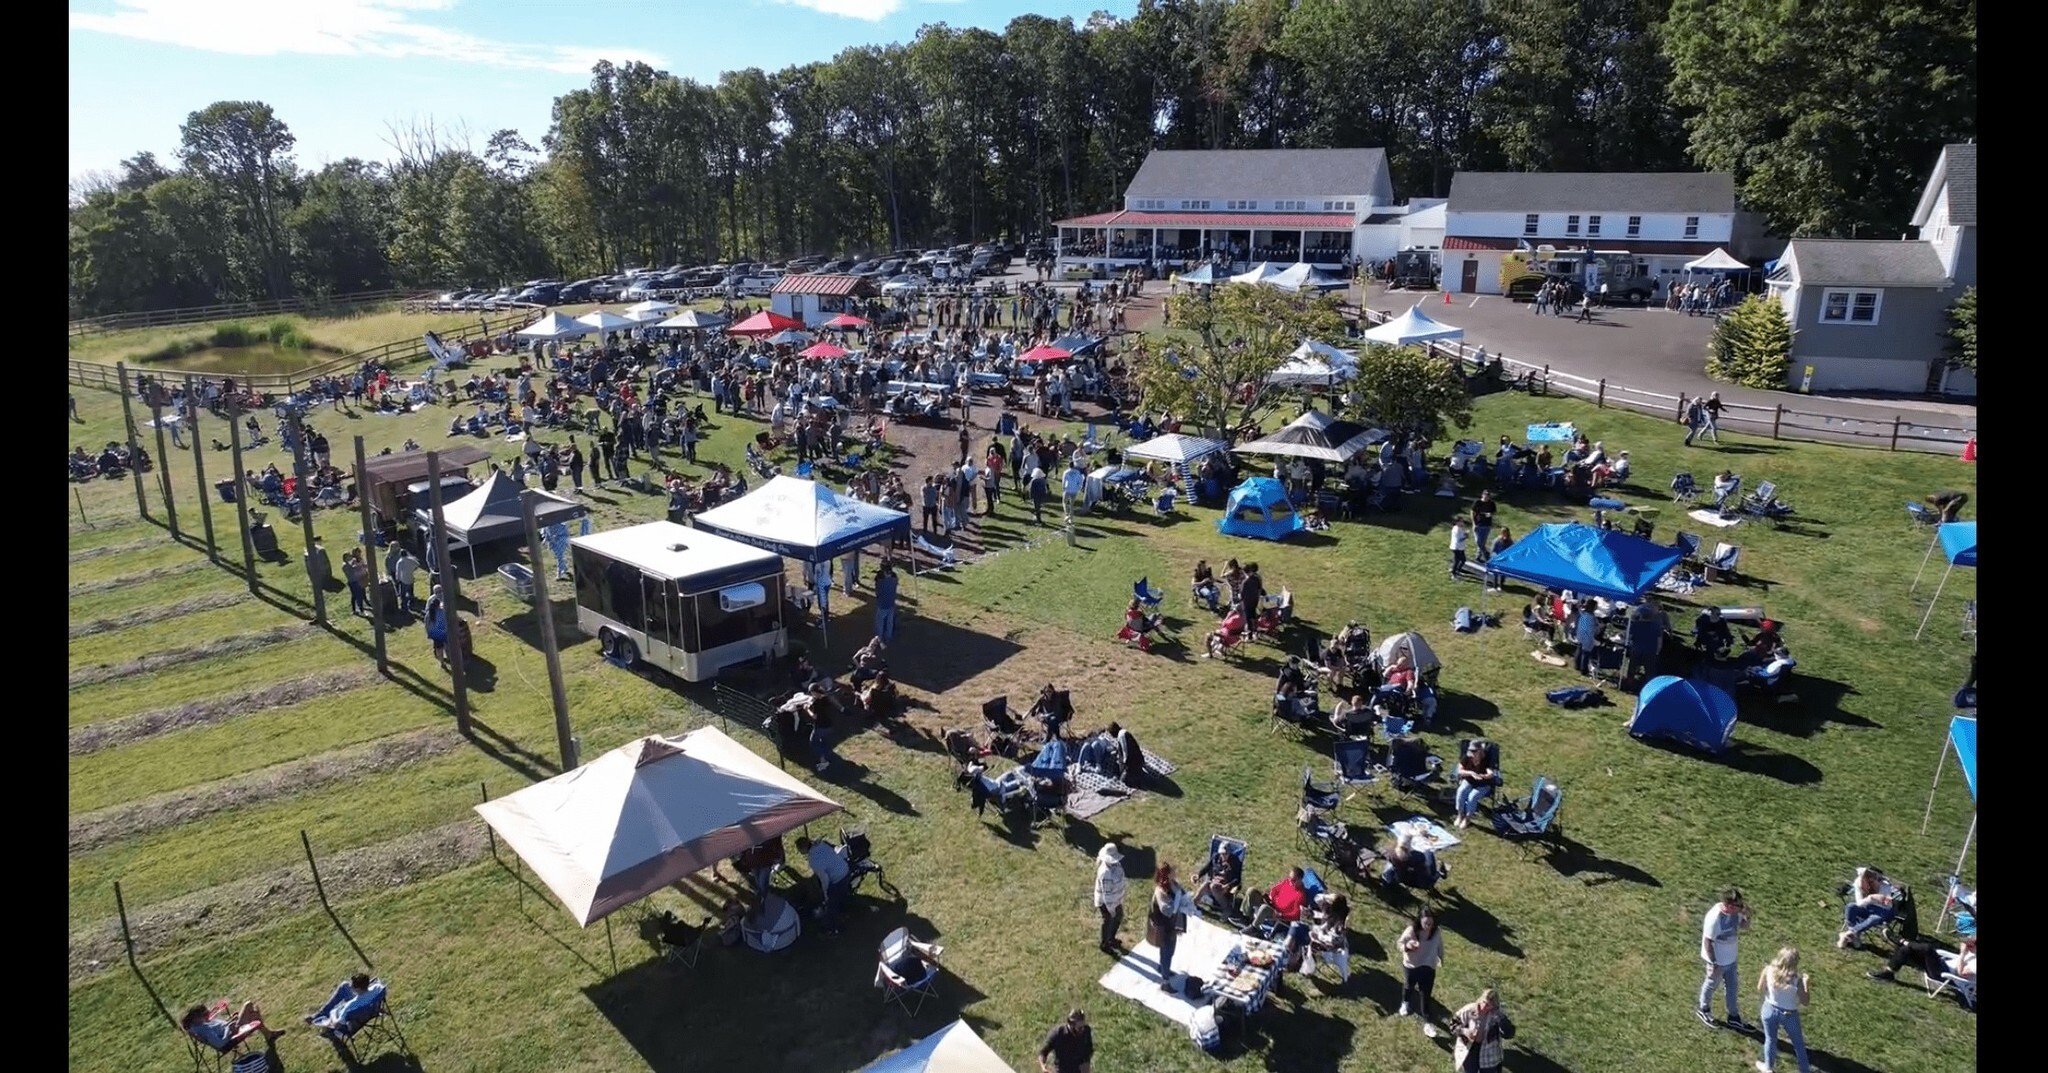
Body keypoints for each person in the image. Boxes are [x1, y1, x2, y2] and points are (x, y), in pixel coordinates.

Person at [1699, 888, 1755, 1030]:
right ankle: (1704, 1009)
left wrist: (1748, 917)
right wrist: (1713, 963)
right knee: (1711, 984)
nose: (1742, 907)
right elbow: (1708, 942)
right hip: (1717, 961)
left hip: (1731, 959)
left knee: (1732, 987)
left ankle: (1733, 1017)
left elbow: (1744, 926)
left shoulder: (1736, 913)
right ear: (1729, 905)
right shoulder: (1715, 917)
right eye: (1739, 905)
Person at [1754, 947, 1812, 1073]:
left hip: (1769, 1009)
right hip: (1790, 1015)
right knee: (1798, 1044)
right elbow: (1805, 1002)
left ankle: (1768, 1067)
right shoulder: (1797, 980)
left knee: (1770, 1039)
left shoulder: (1768, 970)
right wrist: (1806, 984)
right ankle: (1804, 1070)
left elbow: (1760, 988)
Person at [1399, 910, 1445, 1037]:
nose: (1428, 926)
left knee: (1426, 994)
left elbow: (1439, 945)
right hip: (1412, 966)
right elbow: (1400, 944)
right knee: (1409, 986)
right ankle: (1405, 1003)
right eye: (1425, 923)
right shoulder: (1411, 931)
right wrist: (1408, 946)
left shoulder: (1436, 932)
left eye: (1430, 924)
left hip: (1428, 966)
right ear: (1419, 921)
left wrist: (1441, 957)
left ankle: (1427, 1023)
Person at [1866, 934, 1974, 987]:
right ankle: (1888, 973)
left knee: (1928, 949)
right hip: (1940, 964)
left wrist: (1962, 954)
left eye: (1970, 945)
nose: (1967, 946)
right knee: (1906, 950)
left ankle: (1902, 941)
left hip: (1944, 975)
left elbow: (1961, 974)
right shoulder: (1973, 953)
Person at [182, 998, 285, 1051]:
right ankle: (269, 1035)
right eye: (205, 1015)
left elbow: (220, 1028)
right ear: (196, 1017)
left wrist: (230, 1020)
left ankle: (269, 1035)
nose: (208, 1017)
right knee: (249, 1005)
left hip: (232, 1028)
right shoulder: (204, 1029)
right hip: (232, 1035)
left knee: (252, 1014)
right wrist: (229, 1028)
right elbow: (220, 1043)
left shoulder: (200, 1024)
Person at [797, 835, 850, 934]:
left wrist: (826, 893)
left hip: (838, 878)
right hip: (845, 868)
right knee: (842, 896)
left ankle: (834, 928)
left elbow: (824, 879)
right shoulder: (822, 844)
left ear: (803, 849)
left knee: (832, 905)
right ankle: (844, 911)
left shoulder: (813, 860)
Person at [1451, 987, 1514, 1072]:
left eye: (1488, 1005)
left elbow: (1509, 1034)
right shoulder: (1468, 1010)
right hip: (1469, 1050)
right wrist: (1464, 1031)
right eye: (1483, 1002)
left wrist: (1501, 1019)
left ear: (1493, 1006)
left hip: (1489, 1053)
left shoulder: (1497, 1016)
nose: (1484, 1007)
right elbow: (1453, 1024)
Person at [1149, 863, 1189, 991]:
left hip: (1172, 925)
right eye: (1172, 871)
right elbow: (1167, 910)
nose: (1175, 872)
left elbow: (1181, 894)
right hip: (1165, 928)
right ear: (1167, 875)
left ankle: (1162, 968)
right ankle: (1165, 983)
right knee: (1167, 952)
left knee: (1169, 951)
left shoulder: (1174, 884)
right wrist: (1177, 904)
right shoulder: (1161, 891)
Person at [1838, 868, 1897, 949]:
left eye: (1878, 879)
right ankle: (1855, 936)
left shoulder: (1885, 886)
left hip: (1880, 910)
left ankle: (1849, 933)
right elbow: (1859, 903)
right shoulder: (1859, 882)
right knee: (1850, 907)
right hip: (1865, 907)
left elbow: (1888, 906)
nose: (1876, 880)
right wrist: (1871, 898)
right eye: (1872, 878)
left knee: (1875, 918)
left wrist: (1885, 901)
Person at [306, 973, 380, 1037]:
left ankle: (321, 1017)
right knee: (345, 986)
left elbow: (337, 1025)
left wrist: (332, 1015)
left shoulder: (350, 1006)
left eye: (352, 986)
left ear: (358, 989)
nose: (350, 986)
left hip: (354, 1023)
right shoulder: (377, 988)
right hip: (371, 1011)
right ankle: (319, 1015)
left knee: (343, 988)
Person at [1453, 741, 1498, 830]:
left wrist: (1484, 776)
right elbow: (1460, 771)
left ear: (1480, 750)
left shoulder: (1486, 759)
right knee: (1461, 791)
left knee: (1472, 797)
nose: (1472, 753)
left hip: (1483, 784)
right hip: (1469, 780)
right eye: (1471, 750)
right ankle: (1460, 815)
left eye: (1474, 751)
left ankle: (1467, 818)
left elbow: (1490, 773)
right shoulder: (1467, 757)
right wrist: (1470, 773)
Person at [1094, 843, 1127, 953]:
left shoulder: (1115, 865)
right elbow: (1107, 894)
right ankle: (1105, 944)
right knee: (1108, 921)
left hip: (1115, 900)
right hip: (1107, 903)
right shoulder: (1105, 873)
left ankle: (1111, 939)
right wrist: (1111, 909)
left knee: (1118, 917)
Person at [1038, 1009, 1094, 1073]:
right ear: (1071, 1025)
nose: (1082, 1030)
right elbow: (1043, 1053)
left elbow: (1088, 1052)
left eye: (1083, 1026)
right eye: (1080, 1028)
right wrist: (1043, 1067)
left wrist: (1086, 1067)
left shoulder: (1086, 1031)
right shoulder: (1058, 1034)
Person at [1194, 844, 1243, 914]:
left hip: (1225, 886)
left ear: (1229, 853)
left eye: (1226, 854)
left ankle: (1226, 907)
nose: (1224, 856)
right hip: (1214, 882)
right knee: (1206, 884)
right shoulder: (1216, 857)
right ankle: (1193, 903)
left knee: (1213, 886)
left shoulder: (1235, 862)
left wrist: (1228, 885)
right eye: (1222, 854)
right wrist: (1198, 875)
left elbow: (1237, 879)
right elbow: (1207, 867)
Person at [1572, 596, 1601, 677]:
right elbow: (1594, 628)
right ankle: (1584, 670)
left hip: (1580, 633)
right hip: (1587, 635)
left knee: (1579, 649)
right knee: (1586, 653)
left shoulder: (1583, 613)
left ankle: (1577, 665)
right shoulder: (1592, 617)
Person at [872, 560, 899, 643]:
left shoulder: (880, 581)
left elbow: (877, 591)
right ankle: (888, 637)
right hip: (891, 602)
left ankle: (879, 639)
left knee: (879, 622)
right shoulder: (894, 578)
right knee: (889, 622)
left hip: (882, 604)